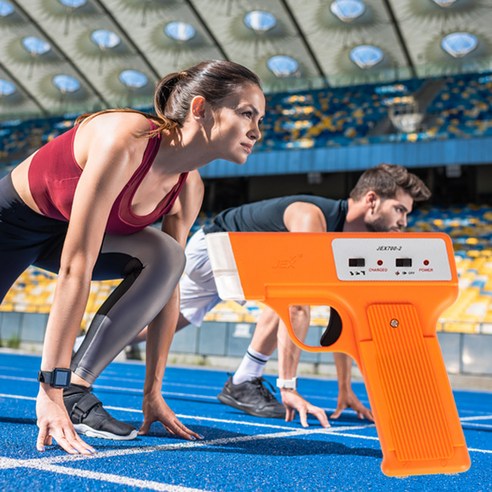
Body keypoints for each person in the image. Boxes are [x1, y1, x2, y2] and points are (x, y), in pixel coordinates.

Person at [0, 59, 265, 455]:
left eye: (259, 119)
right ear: (200, 109)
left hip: (74, 236)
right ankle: (60, 389)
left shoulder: (189, 188)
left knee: (169, 256)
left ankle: (77, 387)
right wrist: (47, 390)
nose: (257, 132)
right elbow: (76, 268)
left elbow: (167, 288)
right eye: (247, 114)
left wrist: (153, 392)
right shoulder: (124, 140)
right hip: (13, 224)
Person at [173, 163, 431, 426]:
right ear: (372, 200)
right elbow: (295, 304)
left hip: (221, 256)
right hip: (217, 249)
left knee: (157, 327)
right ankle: (244, 380)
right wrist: (288, 387)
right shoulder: (311, 218)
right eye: (399, 209)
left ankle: (126, 336)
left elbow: (342, 314)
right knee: (286, 289)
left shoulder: (346, 243)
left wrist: (345, 388)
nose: (403, 222)